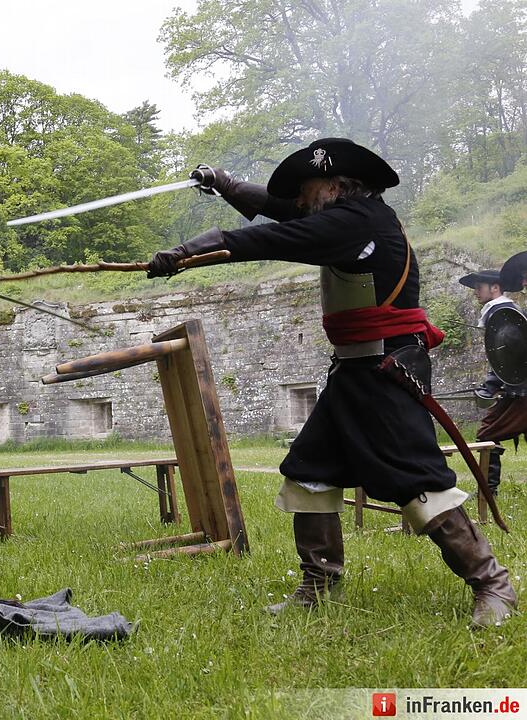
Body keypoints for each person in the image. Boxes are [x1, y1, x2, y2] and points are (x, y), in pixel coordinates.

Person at [149, 138, 517, 628]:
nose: (301, 200)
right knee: (310, 470)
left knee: (417, 482)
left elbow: (268, 237)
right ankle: (318, 584)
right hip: (355, 371)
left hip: (386, 374)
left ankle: (492, 583)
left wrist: (185, 251)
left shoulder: (358, 222)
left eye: (308, 189)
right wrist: (225, 183)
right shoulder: (350, 216)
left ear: (337, 186)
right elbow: (279, 209)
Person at [458, 268, 527, 494]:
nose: (476, 292)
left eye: (480, 287)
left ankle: (488, 493)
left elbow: (507, 357)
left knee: (487, 434)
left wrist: (489, 387)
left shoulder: (503, 310)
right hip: (517, 387)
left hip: (520, 391)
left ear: (495, 288)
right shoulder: (501, 311)